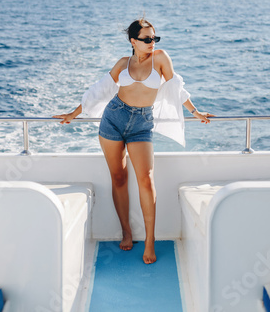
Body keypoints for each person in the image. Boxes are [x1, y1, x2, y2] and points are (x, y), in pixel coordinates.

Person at [53, 18, 214, 264]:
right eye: (146, 39)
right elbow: (100, 90)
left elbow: (175, 87)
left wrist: (196, 112)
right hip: (114, 119)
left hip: (141, 125)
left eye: (154, 38)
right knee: (118, 177)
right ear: (133, 41)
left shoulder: (160, 58)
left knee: (146, 180)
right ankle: (126, 231)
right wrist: (73, 114)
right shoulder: (123, 64)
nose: (152, 43)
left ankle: (149, 242)